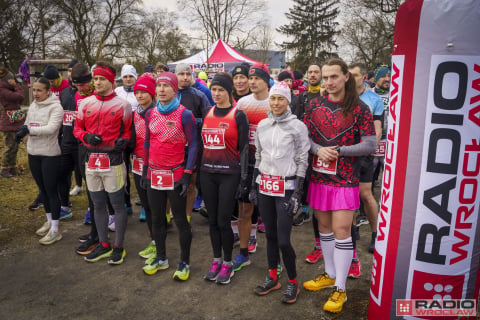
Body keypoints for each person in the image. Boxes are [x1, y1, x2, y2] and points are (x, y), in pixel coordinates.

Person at [302, 58, 376, 313]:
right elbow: (306, 139)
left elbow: (370, 145)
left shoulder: (360, 108)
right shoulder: (313, 105)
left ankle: (341, 289)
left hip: (345, 179)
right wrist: (318, 150)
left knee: (342, 230)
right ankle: (329, 274)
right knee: (324, 227)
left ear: (346, 77)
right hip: (319, 177)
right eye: (325, 77)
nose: (329, 82)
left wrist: (340, 151)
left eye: (334, 76)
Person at [250, 82, 309, 303]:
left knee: (284, 240)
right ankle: (273, 276)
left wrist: (298, 193)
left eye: (280, 99)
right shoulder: (263, 125)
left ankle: (293, 281)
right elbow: (259, 157)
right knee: (271, 236)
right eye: (273, 99)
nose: (275, 103)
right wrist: (255, 186)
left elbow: (303, 160)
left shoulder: (298, 127)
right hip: (265, 186)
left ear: (287, 101)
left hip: (287, 187)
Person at [73, 62, 132, 265]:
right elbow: (77, 129)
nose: (97, 82)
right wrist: (86, 137)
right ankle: (103, 244)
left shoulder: (123, 105)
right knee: (97, 204)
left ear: (111, 81)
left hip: (113, 163)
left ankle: (119, 247)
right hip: (91, 162)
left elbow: (127, 131)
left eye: (102, 79)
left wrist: (123, 141)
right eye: (96, 78)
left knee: (116, 204)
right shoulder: (85, 103)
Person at [141, 72, 197, 280]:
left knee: (181, 220)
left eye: (166, 86)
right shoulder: (150, 113)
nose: (162, 90)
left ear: (175, 89)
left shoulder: (185, 114)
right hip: (154, 173)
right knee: (156, 218)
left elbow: (193, 146)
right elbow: (147, 143)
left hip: (175, 174)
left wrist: (187, 174)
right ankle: (162, 258)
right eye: (159, 86)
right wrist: (146, 170)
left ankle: (184, 263)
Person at [200, 73, 249, 284]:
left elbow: (245, 149)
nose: (217, 94)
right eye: (214, 90)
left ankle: (228, 263)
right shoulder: (207, 111)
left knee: (223, 221)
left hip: (229, 174)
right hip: (207, 173)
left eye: (221, 90)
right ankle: (216, 259)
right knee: (212, 220)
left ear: (229, 91)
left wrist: (244, 179)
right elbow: (203, 144)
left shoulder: (238, 115)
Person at [15, 77, 63, 244]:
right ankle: (49, 221)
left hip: (49, 154)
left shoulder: (56, 107)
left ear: (47, 91)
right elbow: (28, 123)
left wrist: (29, 129)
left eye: (39, 90)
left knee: (51, 191)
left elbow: (51, 129)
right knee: (42, 190)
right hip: (33, 152)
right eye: (34, 90)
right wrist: (22, 130)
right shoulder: (34, 105)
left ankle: (56, 229)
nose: (35, 93)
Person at [233, 63, 271, 271]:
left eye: (257, 78)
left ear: (266, 81)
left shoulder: (275, 101)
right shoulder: (242, 103)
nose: (252, 82)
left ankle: (275, 261)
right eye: (251, 78)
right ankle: (244, 252)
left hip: (270, 164)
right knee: (244, 208)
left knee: (269, 212)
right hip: (247, 161)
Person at [293, 63, 324, 265]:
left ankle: (325, 243)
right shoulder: (302, 97)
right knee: (304, 185)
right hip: (305, 149)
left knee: (322, 201)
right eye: (310, 72)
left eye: (316, 72)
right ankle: (304, 213)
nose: (312, 75)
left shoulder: (327, 96)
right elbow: (296, 120)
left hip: (324, 152)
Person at [175, 63, 211, 225]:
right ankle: (168, 217)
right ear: (175, 76)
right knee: (171, 184)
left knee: (190, 183)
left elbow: (209, 120)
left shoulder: (200, 95)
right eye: (181, 74)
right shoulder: (169, 94)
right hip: (172, 147)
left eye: (187, 74)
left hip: (193, 147)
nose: (184, 77)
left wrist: (192, 121)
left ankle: (187, 219)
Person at [131, 75, 156, 262]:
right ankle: (154, 240)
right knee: (146, 205)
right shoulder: (135, 113)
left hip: (155, 166)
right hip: (138, 164)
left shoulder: (158, 112)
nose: (139, 95)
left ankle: (158, 244)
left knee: (155, 206)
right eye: (137, 92)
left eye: (143, 92)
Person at [114, 64, 138, 218]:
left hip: (138, 135)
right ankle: (126, 202)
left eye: (131, 76)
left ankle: (144, 203)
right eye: (125, 77)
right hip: (122, 135)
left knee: (139, 171)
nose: (128, 79)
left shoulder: (140, 91)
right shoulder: (117, 92)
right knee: (122, 171)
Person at [0, 66, 25, 178]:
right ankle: (4, 167)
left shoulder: (8, 89)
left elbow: (21, 99)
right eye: (12, 80)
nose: (14, 81)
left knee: (15, 145)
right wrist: (17, 86)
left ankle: (12, 166)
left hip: (14, 117)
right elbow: (19, 96)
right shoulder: (3, 90)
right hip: (8, 120)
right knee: (9, 145)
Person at [371, 66, 390, 188]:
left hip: (389, 141)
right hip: (372, 140)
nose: (387, 79)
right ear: (377, 78)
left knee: (388, 175)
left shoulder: (395, 94)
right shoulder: (369, 94)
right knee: (370, 172)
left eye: (389, 76)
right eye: (383, 76)